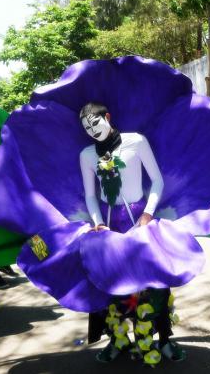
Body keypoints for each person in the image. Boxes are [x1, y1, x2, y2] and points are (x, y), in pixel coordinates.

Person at [79, 103, 182, 365]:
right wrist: (98, 222)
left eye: (95, 123)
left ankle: (164, 339)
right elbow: (90, 195)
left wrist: (147, 214)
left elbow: (157, 180)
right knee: (109, 284)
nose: (92, 131)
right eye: (87, 127)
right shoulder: (87, 155)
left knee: (153, 282)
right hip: (108, 226)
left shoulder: (136, 141)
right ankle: (118, 339)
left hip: (140, 220)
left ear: (108, 117)